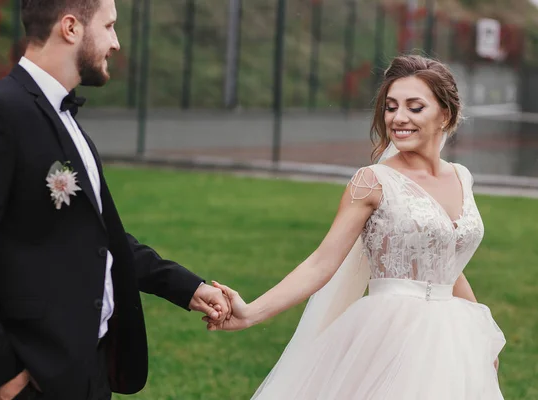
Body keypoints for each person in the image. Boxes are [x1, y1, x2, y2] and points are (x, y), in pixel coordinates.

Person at [0, 0, 230, 399]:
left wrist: (189, 288)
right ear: (70, 27)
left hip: (88, 369)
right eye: (109, 26)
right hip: (31, 377)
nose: (116, 43)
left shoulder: (69, 124)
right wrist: (1, 377)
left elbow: (98, 237)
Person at [206, 55, 506, 399]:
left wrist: (479, 337)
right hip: (390, 333)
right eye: (391, 107)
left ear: (445, 115)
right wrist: (250, 313)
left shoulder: (461, 177)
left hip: (453, 339)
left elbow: (446, 263)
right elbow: (322, 263)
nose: (398, 118)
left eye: (415, 107)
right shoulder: (372, 182)